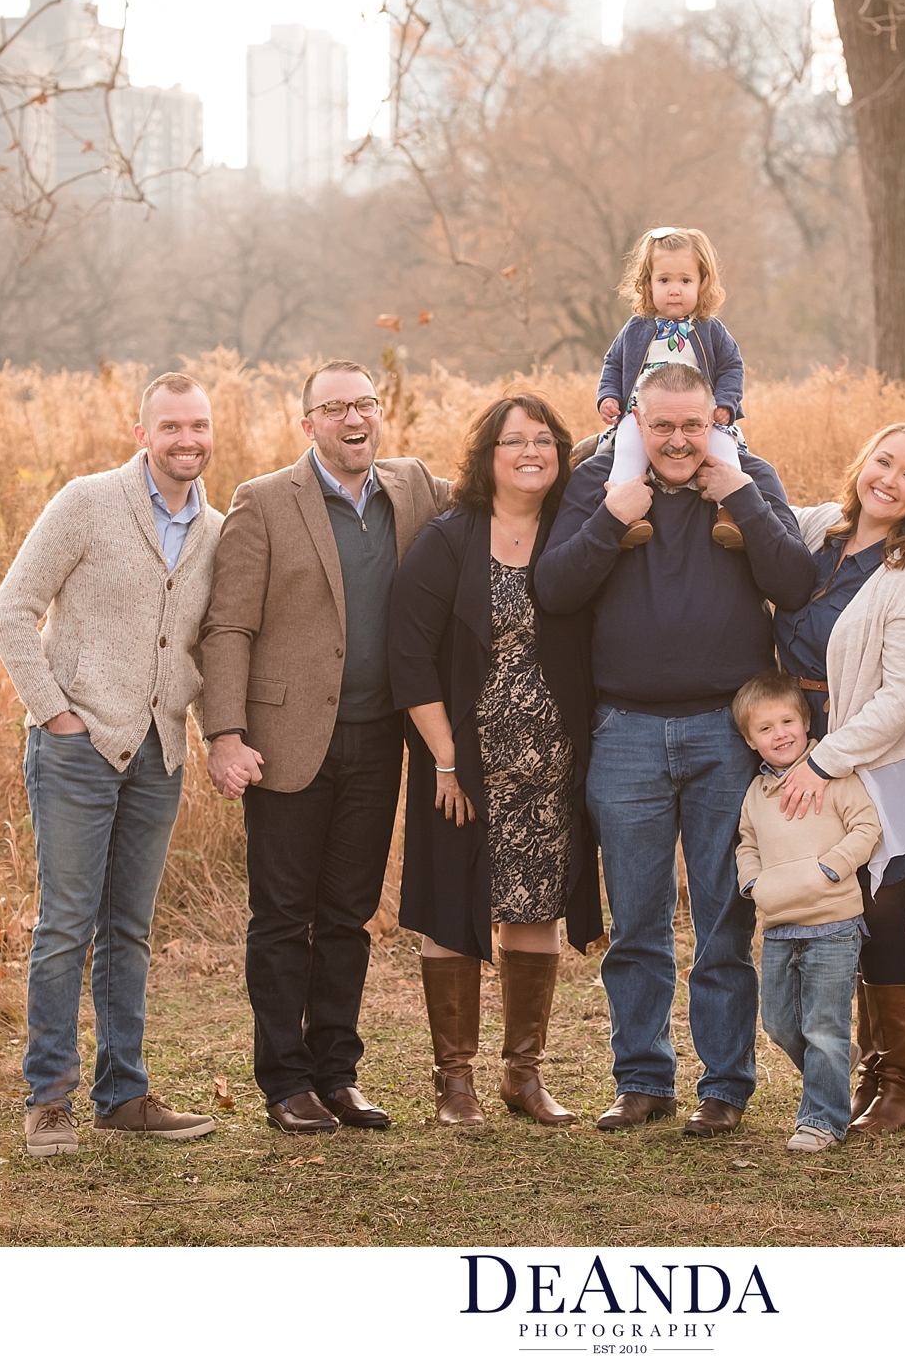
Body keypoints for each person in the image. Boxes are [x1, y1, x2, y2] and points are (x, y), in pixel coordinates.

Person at [534, 361, 819, 1138]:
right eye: (662, 426)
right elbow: (554, 589)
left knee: (726, 917)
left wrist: (742, 500)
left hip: (725, 734)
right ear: (635, 420)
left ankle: (724, 1084)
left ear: (716, 421)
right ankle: (643, 1078)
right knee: (637, 919)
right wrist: (608, 517)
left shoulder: (747, 476)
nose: (678, 440)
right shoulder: (599, 481)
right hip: (623, 732)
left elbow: (794, 581)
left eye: (694, 425)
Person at [197, 362, 450, 1131]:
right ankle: (285, 1083)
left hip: (380, 740)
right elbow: (229, 625)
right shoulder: (264, 500)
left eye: (366, 404)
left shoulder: (414, 490)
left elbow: (504, 493)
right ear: (306, 423)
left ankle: (338, 1073)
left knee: (348, 913)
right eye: (335, 407)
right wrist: (225, 735)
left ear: (382, 414)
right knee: (282, 916)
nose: (354, 419)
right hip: (284, 744)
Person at [0, 373, 223, 1156]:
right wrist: (56, 712)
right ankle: (47, 1101)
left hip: (160, 751)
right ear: (141, 432)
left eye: (199, 425)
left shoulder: (218, 530)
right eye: (171, 426)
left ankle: (123, 1094)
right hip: (76, 749)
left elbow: (209, 648)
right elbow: (11, 611)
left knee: (129, 929)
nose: (186, 439)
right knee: (65, 925)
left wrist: (218, 733)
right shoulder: (86, 502)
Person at [389, 392, 602, 1128]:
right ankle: (454, 1083)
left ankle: (523, 1075)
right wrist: (446, 758)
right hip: (465, 768)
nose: (531, 452)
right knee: (453, 908)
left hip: (553, 766)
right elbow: (407, 651)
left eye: (544, 440)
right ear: (487, 456)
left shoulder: (572, 532)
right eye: (515, 441)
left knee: (536, 908)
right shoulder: (450, 538)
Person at [770, 420, 905, 1134]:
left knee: (880, 917)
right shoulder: (818, 529)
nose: (891, 480)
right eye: (884, 462)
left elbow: (904, 693)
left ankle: (899, 1086)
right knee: (837, 916)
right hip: (802, 750)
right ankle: (861, 1078)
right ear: (863, 463)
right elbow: (751, 508)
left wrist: (825, 758)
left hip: (878, 765)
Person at [732, 672, 883, 1154]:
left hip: (833, 923)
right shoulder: (757, 794)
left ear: (805, 720)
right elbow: (747, 845)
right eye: (765, 728)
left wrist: (831, 868)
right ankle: (836, 1063)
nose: (780, 733)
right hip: (778, 925)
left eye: (787, 720)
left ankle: (821, 1120)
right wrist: (752, 883)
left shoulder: (834, 776)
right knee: (778, 1023)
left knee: (822, 1026)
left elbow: (866, 827)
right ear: (750, 741)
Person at [596, 227, 746, 526]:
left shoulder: (709, 329)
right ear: (647, 284)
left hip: (701, 417)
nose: (674, 289)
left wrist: (726, 402)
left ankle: (728, 514)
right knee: (627, 451)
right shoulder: (636, 329)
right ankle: (625, 516)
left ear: (702, 284)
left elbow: (732, 366)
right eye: (664, 280)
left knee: (725, 452)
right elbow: (613, 363)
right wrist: (609, 396)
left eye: (685, 280)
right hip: (642, 416)